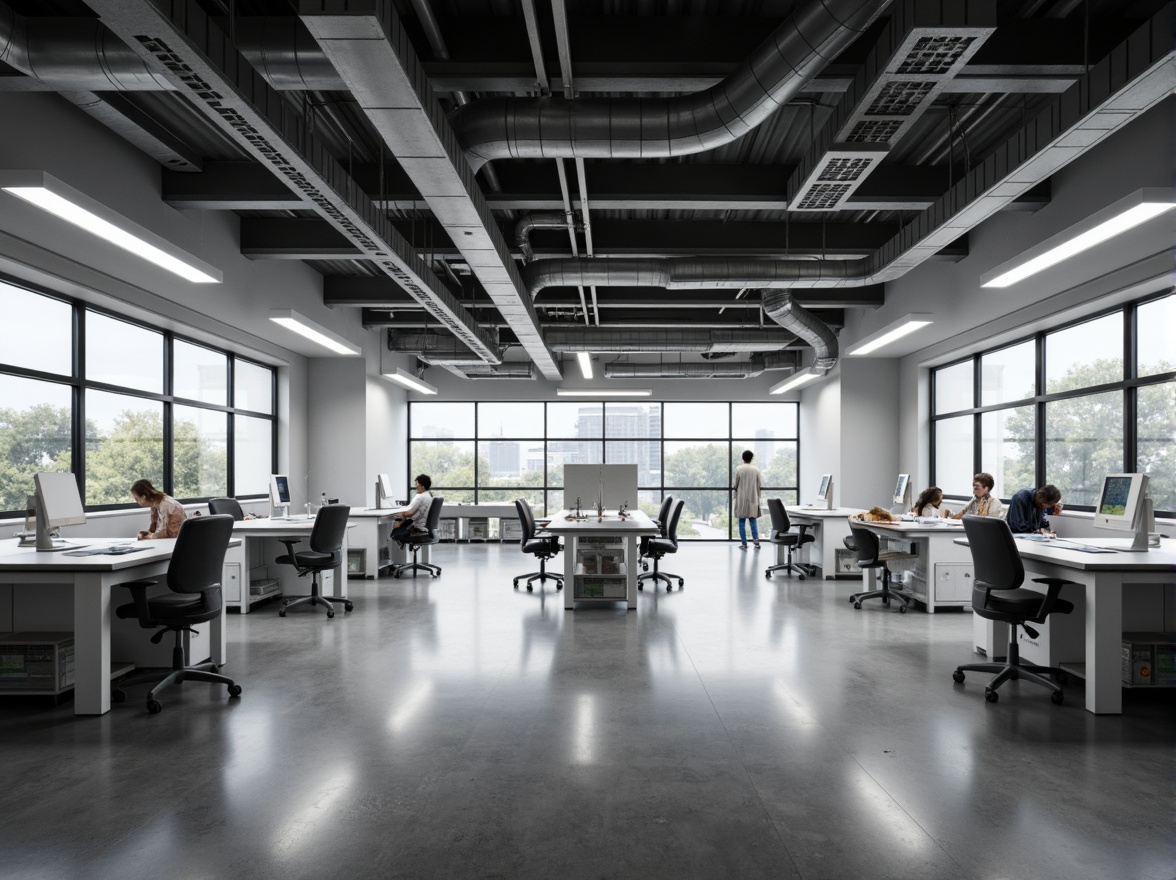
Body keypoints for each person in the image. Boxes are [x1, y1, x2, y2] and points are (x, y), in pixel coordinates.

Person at [732, 450, 763, 550]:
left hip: (741, 498)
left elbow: (735, 484)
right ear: (752, 458)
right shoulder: (756, 470)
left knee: (741, 521)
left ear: (742, 458)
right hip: (753, 498)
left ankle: (744, 543)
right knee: (753, 521)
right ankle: (756, 542)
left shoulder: (739, 469)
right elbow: (759, 485)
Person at [391, 474, 433, 547]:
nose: (415, 486)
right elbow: (415, 513)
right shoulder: (428, 495)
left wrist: (401, 515)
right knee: (398, 524)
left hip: (418, 526)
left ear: (422, 486)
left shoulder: (421, 497)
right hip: (423, 525)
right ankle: (402, 546)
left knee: (395, 532)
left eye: (417, 483)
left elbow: (410, 513)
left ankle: (401, 547)